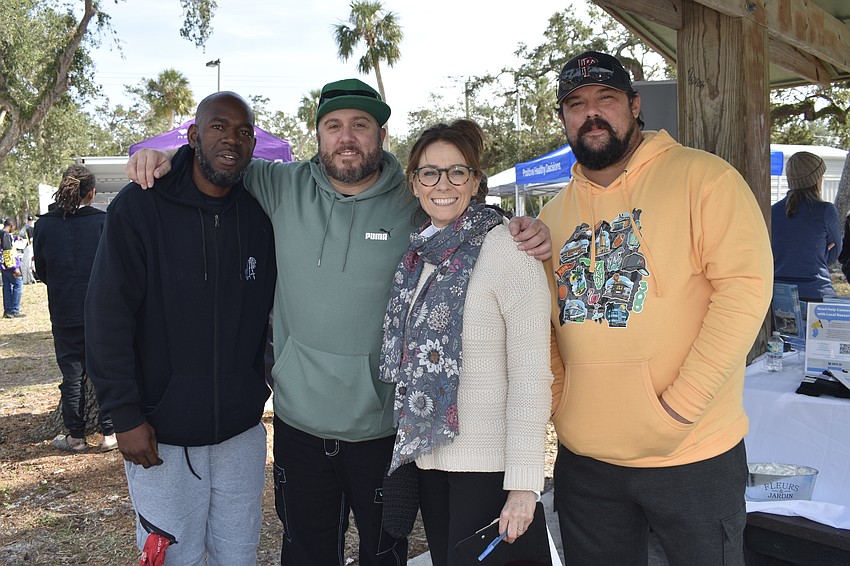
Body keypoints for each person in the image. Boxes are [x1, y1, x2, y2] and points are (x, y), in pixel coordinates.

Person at [126, 77, 551, 566]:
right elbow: (219, 160)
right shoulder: (280, 184)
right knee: (307, 550)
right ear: (318, 136)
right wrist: (165, 160)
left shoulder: (411, 199)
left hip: (381, 426)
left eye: (360, 125)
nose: (346, 137)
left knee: (383, 552)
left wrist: (523, 225)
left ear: (382, 136)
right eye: (333, 126)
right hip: (299, 422)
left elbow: (458, 210)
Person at [538, 51, 773, 566]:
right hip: (587, 462)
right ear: (563, 118)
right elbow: (543, 321)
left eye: (607, 98)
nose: (591, 113)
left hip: (692, 454)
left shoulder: (704, 178)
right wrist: (559, 399)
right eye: (576, 103)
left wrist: (681, 407)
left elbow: (744, 291)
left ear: (635, 105)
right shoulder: (552, 215)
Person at [86, 91, 276, 565]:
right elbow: (107, 315)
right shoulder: (139, 206)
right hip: (160, 434)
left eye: (243, 131)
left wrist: (259, 386)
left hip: (240, 431)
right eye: (218, 127)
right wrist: (125, 415)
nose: (231, 139)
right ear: (193, 136)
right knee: (173, 557)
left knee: (238, 555)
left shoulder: (259, 215)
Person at [379, 119, 552, 565]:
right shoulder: (420, 256)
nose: (443, 184)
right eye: (429, 172)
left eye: (457, 171)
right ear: (414, 183)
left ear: (475, 181)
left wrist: (524, 485)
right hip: (433, 468)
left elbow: (532, 376)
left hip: (490, 473)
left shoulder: (508, 250)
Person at [33, 165, 116, 454]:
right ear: (91, 193)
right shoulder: (104, 222)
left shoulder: (44, 225)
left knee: (71, 375)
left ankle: (76, 436)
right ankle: (109, 432)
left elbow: (41, 270)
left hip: (64, 308)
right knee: (104, 370)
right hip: (101, 310)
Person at [772, 151, 842, 303]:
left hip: (779, 294)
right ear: (817, 179)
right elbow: (836, 250)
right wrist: (818, 254)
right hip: (816, 292)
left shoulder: (772, 211)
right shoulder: (825, 211)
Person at [2, 217, 25, 318]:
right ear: (11, 226)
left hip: (3, 266)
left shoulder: (2, 234)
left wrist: (16, 237)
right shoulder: (6, 235)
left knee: (7, 287)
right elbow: (7, 252)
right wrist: (14, 267)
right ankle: (15, 309)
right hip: (10, 265)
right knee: (18, 284)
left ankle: (7, 310)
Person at [19, 215, 35, 284]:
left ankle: (30, 279)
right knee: (28, 264)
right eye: (29, 220)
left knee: (29, 264)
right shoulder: (27, 228)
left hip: (30, 247)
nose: (30, 222)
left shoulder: (29, 228)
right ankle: (29, 279)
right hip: (28, 247)